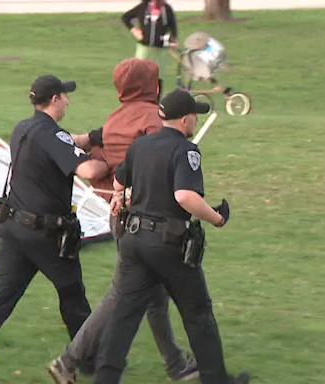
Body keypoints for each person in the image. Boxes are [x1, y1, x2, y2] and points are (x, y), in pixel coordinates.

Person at [0, 75, 109, 384]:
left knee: (0, 300)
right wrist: (108, 161)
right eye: (65, 96)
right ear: (54, 100)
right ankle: (90, 361)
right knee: (73, 297)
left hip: (14, 228)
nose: (68, 101)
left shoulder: (25, 128)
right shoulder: (53, 136)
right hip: (46, 235)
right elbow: (87, 169)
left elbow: (63, 141)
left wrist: (92, 136)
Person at [48, 58, 198, 384]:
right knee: (123, 293)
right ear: (151, 85)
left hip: (123, 217)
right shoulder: (152, 120)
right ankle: (68, 360)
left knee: (153, 295)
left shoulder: (115, 118)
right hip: (147, 222)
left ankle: (176, 364)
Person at [92, 89, 251, 384]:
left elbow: (119, 178)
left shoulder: (141, 145)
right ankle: (216, 379)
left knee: (125, 315)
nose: (194, 121)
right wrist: (216, 218)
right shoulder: (185, 150)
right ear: (185, 119)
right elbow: (184, 196)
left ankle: (105, 379)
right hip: (167, 243)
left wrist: (118, 196)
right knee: (197, 311)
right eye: (193, 116)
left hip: (133, 239)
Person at [121, 0, 178, 99]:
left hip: (160, 51)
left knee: (157, 79)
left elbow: (173, 28)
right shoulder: (143, 7)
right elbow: (125, 17)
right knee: (139, 76)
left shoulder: (166, 9)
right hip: (144, 49)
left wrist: (173, 42)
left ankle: (155, 105)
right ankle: (137, 101)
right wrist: (134, 31)